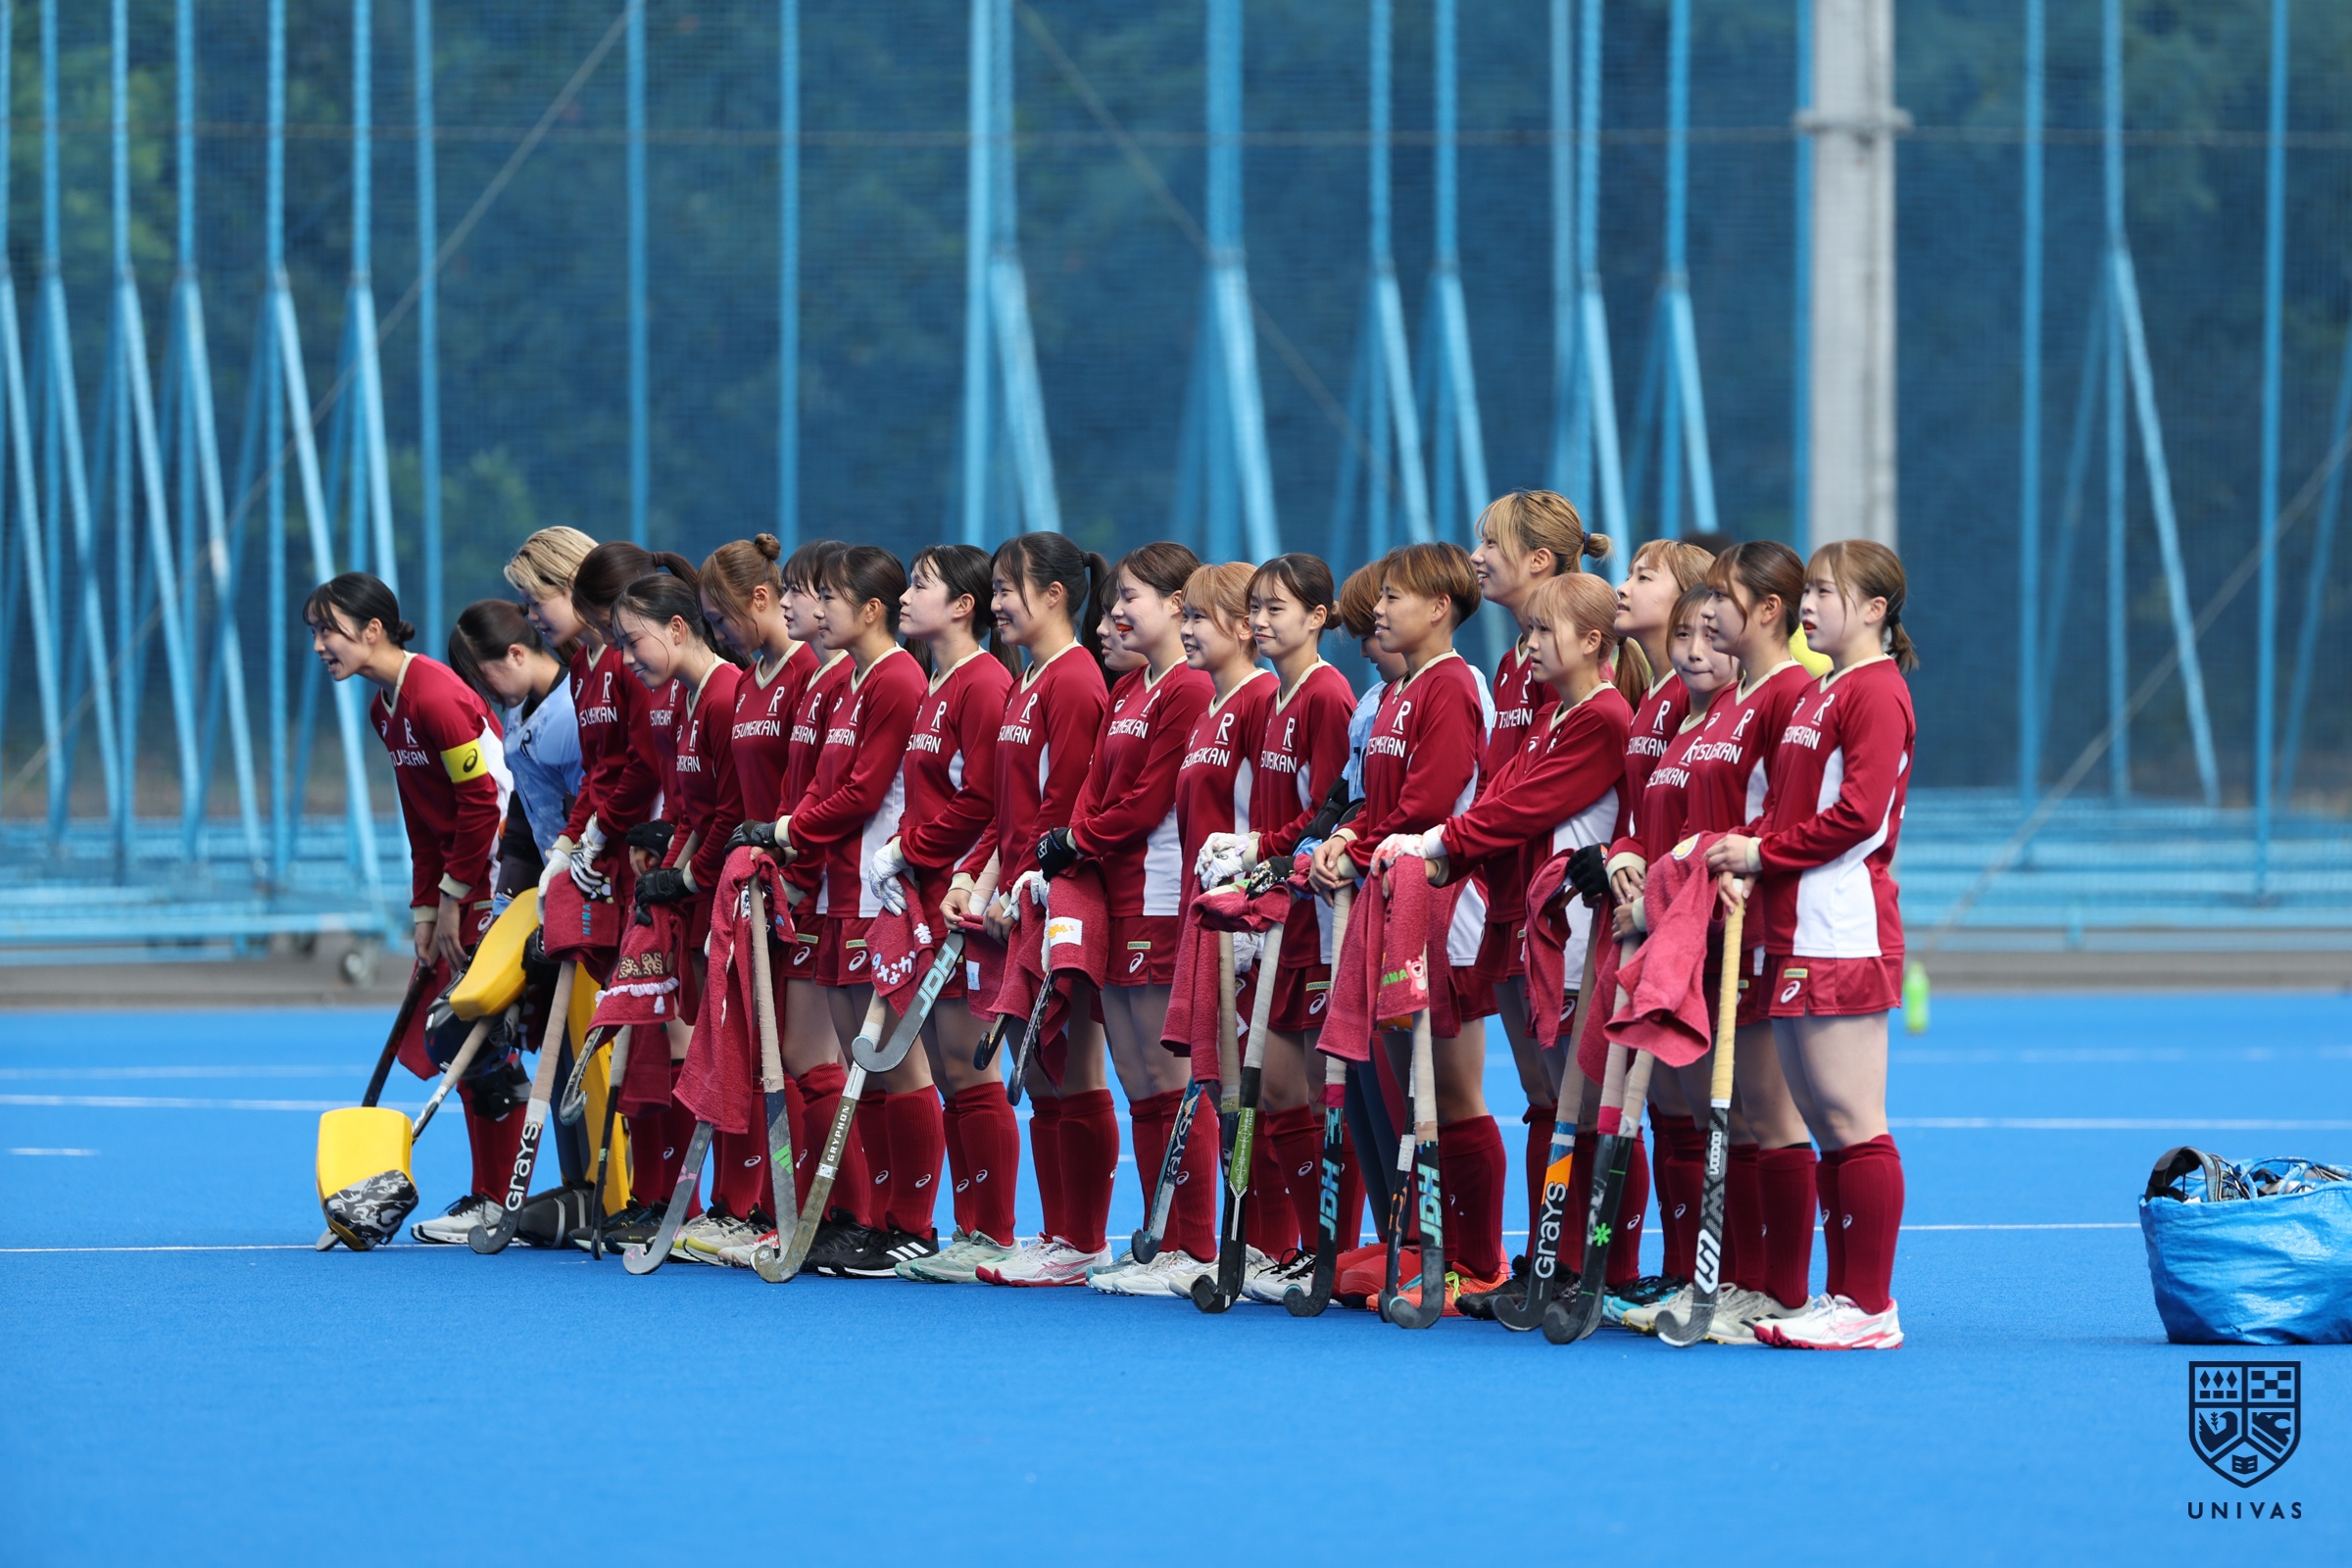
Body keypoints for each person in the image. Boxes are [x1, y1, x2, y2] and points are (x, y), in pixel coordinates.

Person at [1704, 540, 1918, 1351]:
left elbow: (1860, 816)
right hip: (1791, 926)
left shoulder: (1877, 690)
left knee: (1854, 1118)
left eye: (1828, 592)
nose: (1809, 604)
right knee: (1825, 1122)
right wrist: (1739, 853)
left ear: (1875, 610)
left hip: (1842, 927)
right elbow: (1787, 808)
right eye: (1811, 591)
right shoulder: (1822, 689)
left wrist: (1762, 854)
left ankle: (1871, 1306)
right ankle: (1844, 1298)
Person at [999, 542, 1214, 1291]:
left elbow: (1149, 799)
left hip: (1158, 895)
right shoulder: (1128, 688)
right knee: (1138, 1079)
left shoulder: (1188, 688)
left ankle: (1193, 1244)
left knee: (1166, 1076)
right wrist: (1068, 847)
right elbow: (1095, 788)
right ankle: (1160, 1242)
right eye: (1116, 597)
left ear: (1178, 606)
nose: (1115, 612)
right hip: (1112, 897)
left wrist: (1075, 840)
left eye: (1130, 598)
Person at [1308, 542, 1508, 1313]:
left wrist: (1355, 848)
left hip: (1444, 901)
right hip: (1390, 897)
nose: (1380, 610)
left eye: (1395, 597)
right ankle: (1428, 1244)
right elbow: (1378, 803)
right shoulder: (1398, 691)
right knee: (1406, 1086)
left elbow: (1429, 802)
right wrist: (1342, 840)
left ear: (1439, 608)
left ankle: (1480, 1261)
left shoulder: (1451, 684)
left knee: (1449, 1088)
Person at [306, 571, 519, 1244]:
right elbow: (422, 820)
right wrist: (426, 910)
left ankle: (500, 1200)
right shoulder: (386, 710)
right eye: (315, 632)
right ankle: (491, 1197)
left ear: (372, 630)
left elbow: (482, 802)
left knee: (479, 1039)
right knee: (463, 1039)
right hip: (462, 883)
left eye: (329, 630)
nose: (320, 645)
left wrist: (456, 897)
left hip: (498, 877)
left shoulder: (434, 695)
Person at [1655, 539, 1820, 1343]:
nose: (1708, 610)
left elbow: (1787, 815)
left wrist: (1734, 855)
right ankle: (1742, 1283)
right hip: (1711, 921)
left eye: (1721, 598)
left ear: (1767, 610)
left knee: (1768, 1115)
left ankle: (1781, 1293)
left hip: (1760, 922)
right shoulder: (1730, 701)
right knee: (1739, 1113)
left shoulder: (1792, 693)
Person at [1200, 553, 1359, 1301]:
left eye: (1276, 609)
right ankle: (1299, 1247)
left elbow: (1330, 811)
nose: (1260, 622)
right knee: (1281, 1090)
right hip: (1280, 915)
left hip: (1320, 916)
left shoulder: (1326, 694)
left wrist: (1258, 851)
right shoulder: (1276, 696)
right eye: (1255, 608)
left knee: (1316, 1092)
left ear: (1318, 617)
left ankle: (1333, 1251)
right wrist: (1251, 867)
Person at [768, 545, 930, 1277]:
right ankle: (868, 1219)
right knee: (859, 1066)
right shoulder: (848, 680)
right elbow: (820, 785)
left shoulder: (895, 677)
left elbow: (864, 794)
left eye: (827, 596)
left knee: (896, 1064)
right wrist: (790, 849)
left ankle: (912, 1224)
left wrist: (783, 832)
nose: (814, 607)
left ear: (869, 609)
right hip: (835, 893)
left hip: (876, 896)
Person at [958, 534, 1111, 1286]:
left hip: (1058, 898)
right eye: (992, 589)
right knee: (1042, 1074)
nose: (995, 604)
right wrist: (978, 881)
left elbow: (1065, 807)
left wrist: (1021, 885)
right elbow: (1009, 812)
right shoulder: (1027, 679)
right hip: (1019, 900)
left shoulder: (1075, 680)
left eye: (1005, 589)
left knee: (1071, 1070)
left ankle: (1083, 1240)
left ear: (1054, 594)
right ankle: (1058, 1236)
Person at [863, 544, 1018, 1283]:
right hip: (928, 892)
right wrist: (903, 854)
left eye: (921, 585)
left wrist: (912, 850)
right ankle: (969, 1228)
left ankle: (995, 1232)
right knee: (951, 1073)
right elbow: (930, 795)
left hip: (964, 897)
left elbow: (986, 801)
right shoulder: (936, 682)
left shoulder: (983, 683)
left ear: (963, 605)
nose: (905, 595)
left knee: (967, 1068)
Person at [1465, 490, 1613, 1260]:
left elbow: (1533, 801)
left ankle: (1598, 1263)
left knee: (1585, 1098)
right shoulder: (1510, 667)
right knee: (1543, 1096)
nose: (1477, 557)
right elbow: (1499, 787)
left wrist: (1443, 845)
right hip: (1507, 901)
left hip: (1565, 911)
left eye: (1491, 543)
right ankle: (1547, 1258)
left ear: (1539, 560)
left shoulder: (1595, 682)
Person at [607, 570, 752, 1264]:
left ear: (676, 627)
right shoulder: (690, 697)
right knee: (704, 1048)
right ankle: (722, 1204)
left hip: (727, 897)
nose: (627, 657)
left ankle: (744, 1206)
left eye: (632, 641)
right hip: (700, 896)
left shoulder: (722, 694)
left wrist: (687, 876)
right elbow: (692, 813)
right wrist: (667, 875)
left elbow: (732, 811)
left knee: (737, 1050)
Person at [449, 600, 580, 904]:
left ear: (516, 654)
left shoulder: (571, 707)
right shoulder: (517, 709)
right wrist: (507, 896)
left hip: (587, 881)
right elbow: (523, 804)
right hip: (552, 880)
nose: (483, 692)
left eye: (483, 678)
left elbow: (589, 807)